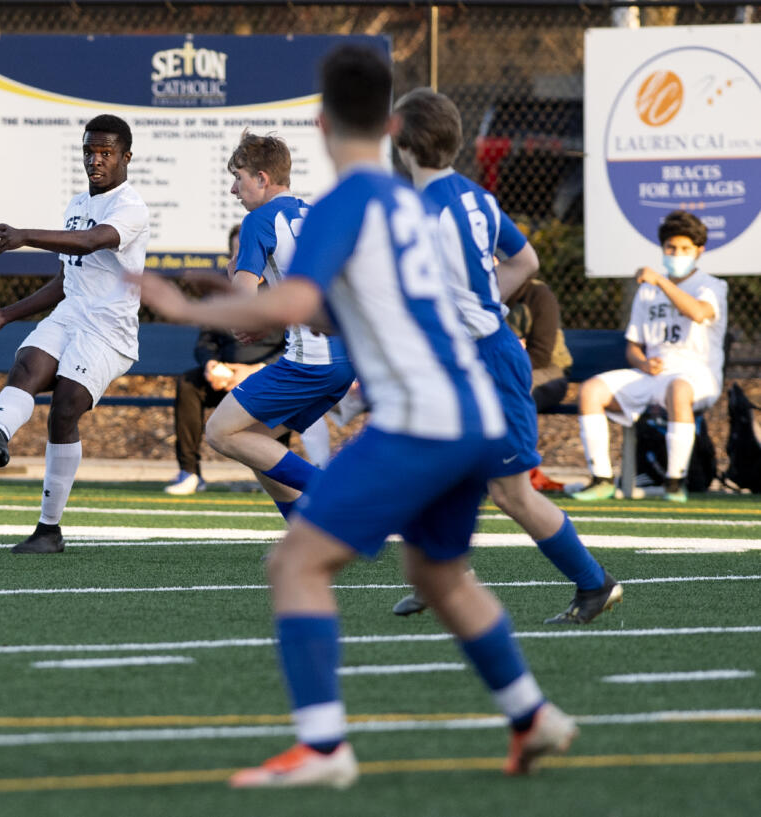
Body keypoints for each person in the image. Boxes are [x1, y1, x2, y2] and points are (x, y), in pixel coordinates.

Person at [136, 44, 575, 789]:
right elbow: (347, 310)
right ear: (394, 123)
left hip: (422, 417)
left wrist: (187, 305)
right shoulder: (410, 202)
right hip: (472, 406)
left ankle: (322, 745)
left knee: (296, 562)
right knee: (439, 575)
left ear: (319, 121)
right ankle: (534, 715)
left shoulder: (352, 200)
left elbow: (295, 305)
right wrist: (236, 294)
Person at [390, 88, 620, 626]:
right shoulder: (477, 197)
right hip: (471, 356)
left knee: (511, 494)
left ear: (401, 143)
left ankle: (595, 584)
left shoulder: (417, 213)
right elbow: (526, 260)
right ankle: (439, 573)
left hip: (484, 363)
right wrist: (483, 303)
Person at [0, 115, 150, 553]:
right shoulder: (76, 203)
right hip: (71, 315)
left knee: (65, 406)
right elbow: (67, 279)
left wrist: (26, 235)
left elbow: (90, 243)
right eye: (89, 151)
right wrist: (5, 315)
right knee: (26, 365)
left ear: (126, 157)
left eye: (105, 153)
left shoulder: (131, 207)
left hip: (108, 330)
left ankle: (49, 530)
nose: (95, 160)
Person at [204, 130, 354, 518]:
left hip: (311, 361)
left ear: (262, 179)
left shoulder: (259, 220)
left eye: (238, 177)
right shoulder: (312, 214)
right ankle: (305, 532)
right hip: (345, 357)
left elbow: (242, 304)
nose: (233, 190)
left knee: (220, 431)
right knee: (255, 443)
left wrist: (233, 270)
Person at [573, 210, 727, 503]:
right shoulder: (647, 292)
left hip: (696, 377)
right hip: (653, 375)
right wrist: (643, 363)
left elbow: (696, 312)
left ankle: (674, 482)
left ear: (699, 251)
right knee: (591, 390)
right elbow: (633, 346)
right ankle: (602, 478)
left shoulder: (712, 286)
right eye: (671, 248)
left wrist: (661, 281)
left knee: (678, 389)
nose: (676, 254)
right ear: (662, 248)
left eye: (684, 249)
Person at [167, 229, 290, 495]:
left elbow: (291, 347)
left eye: (248, 252)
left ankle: (275, 474)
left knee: (283, 388)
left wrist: (254, 370)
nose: (242, 258)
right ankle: (189, 473)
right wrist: (212, 365)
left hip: (266, 375)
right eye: (237, 252)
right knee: (189, 382)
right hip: (223, 377)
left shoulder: (280, 292)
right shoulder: (219, 295)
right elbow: (205, 341)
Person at [504, 278, 572, 491]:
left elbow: (541, 356)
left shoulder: (538, 295)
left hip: (546, 371)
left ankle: (523, 470)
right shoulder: (478, 290)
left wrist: (507, 362)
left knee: (516, 390)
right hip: (500, 370)